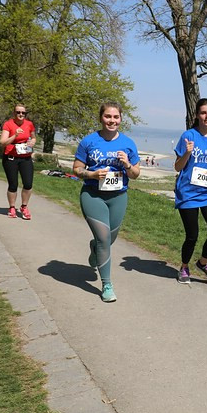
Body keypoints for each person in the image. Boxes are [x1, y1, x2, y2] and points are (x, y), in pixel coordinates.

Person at [72, 102, 140, 303]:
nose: (112, 121)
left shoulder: (128, 143)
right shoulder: (88, 142)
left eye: (116, 117)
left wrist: (127, 164)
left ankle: (95, 249)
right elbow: (76, 169)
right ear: (101, 118)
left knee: (108, 240)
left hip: (118, 197)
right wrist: (92, 174)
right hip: (93, 195)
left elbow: (136, 174)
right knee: (104, 239)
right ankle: (107, 284)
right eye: (108, 117)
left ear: (121, 119)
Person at [173, 98, 207, 284]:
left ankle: (203, 263)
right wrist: (187, 153)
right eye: (203, 112)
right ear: (196, 115)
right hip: (187, 192)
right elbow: (177, 167)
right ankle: (184, 267)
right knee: (192, 235)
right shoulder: (188, 136)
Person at [0, 105, 37, 219]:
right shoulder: (8, 124)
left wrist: (32, 142)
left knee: (28, 183)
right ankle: (12, 208)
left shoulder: (29, 124)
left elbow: (34, 137)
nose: (21, 115)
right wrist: (14, 135)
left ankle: (24, 207)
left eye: (23, 113)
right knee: (13, 185)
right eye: (18, 112)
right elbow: (2, 142)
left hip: (25, 157)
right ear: (14, 113)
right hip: (11, 158)